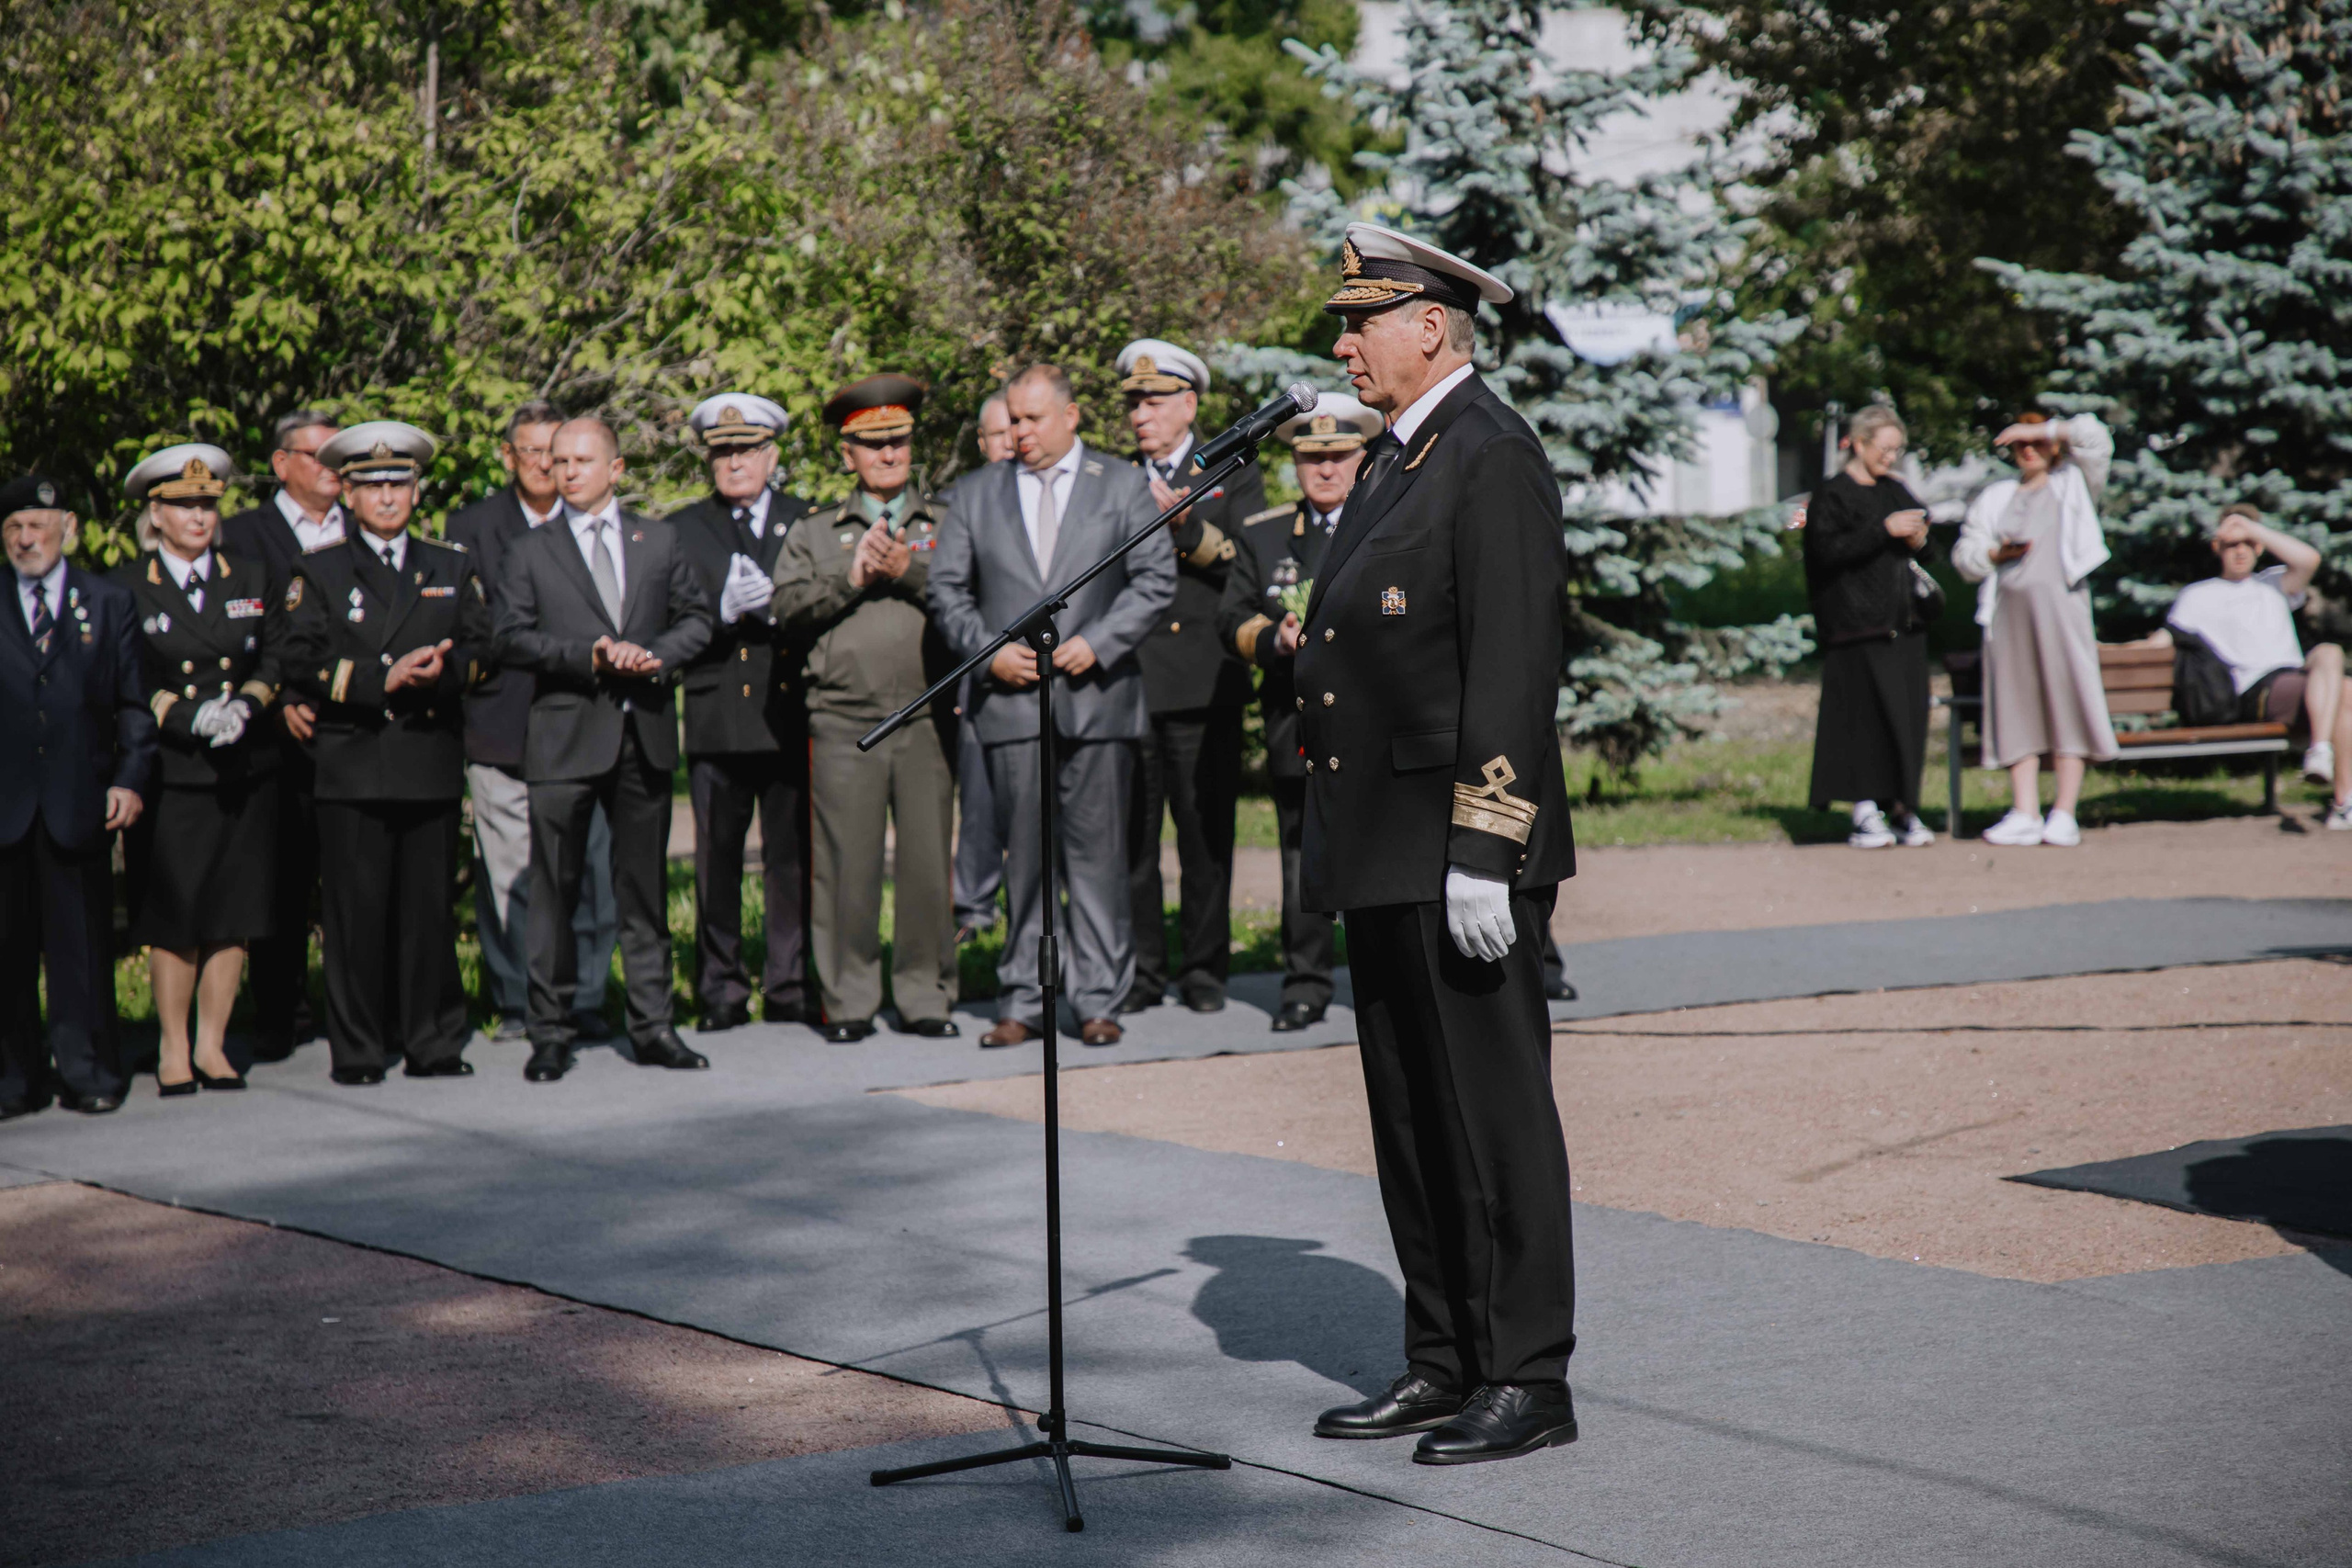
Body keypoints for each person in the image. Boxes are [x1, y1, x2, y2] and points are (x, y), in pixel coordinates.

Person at [1282, 223, 1579, 1464]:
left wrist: (1485, 846)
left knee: (1495, 1113)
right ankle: (1443, 1355)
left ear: (1432, 325)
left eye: (1363, 320)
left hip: (1458, 850)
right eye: (1341, 324)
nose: (1343, 343)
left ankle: (1527, 1371)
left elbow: (1512, 665)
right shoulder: (1402, 458)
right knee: (1410, 1116)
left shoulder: (1490, 456)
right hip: (1383, 847)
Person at [928, 364, 1175, 1048]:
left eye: (1033, 418)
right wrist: (988, 651)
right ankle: (1021, 999)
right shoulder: (975, 495)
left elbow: (1155, 580)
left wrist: (1098, 642)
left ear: (1071, 417)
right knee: (1024, 862)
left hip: (1097, 702)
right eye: (1012, 418)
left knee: (1096, 859)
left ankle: (1098, 997)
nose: (1019, 431)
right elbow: (948, 590)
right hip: (1010, 704)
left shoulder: (1121, 485)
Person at [493, 415, 715, 1081]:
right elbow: (509, 636)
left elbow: (697, 619)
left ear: (616, 469)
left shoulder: (659, 539)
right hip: (564, 739)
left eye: (582, 460)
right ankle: (552, 1031)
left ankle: (652, 1025)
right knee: (556, 894)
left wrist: (654, 657)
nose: (567, 472)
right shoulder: (530, 549)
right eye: (559, 461)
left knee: (642, 893)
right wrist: (587, 655)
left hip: (640, 735)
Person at [273, 423, 489, 1085]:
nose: (388, 497)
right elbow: (300, 660)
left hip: (426, 758)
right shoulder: (320, 568)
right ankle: (361, 1048)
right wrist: (379, 681)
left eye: (399, 483)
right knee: (356, 916)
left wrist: (441, 675)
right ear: (350, 493)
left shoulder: (451, 565)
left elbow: (484, 651)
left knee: (427, 914)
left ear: (417, 491)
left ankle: (432, 1041)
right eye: (372, 485)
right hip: (355, 761)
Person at [774, 374, 959, 1043]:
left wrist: (907, 567)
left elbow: (974, 596)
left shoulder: (943, 523)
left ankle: (925, 996)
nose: (888, 454)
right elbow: (786, 609)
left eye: (899, 441)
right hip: (844, 718)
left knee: (925, 865)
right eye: (872, 443)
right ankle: (848, 1001)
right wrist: (850, 578)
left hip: (926, 714)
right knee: (845, 866)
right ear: (845, 452)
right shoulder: (816, 531)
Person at [444, 402, 622, 1043]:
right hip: (504, 720)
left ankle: (587, 996)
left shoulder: (599, 523)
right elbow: (472, 628)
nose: (547, 464)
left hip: (588, 722)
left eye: (558, 450)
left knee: (592, 869)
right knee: (513, 872)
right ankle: (520, 997)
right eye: (531, 451)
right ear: (508, 456)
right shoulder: (471, 527)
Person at [1215, 392, 1381, 1030]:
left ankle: (1381, 981)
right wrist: (1272, 639)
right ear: (1296, 463)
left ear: (1360, 456)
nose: (1327, 469)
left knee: (1379, 854)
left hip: (1373, 724)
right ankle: (1305, 984)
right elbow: (1229, 620)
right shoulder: (1263, 535)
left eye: (1339, 455)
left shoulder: (1385, 523)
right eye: (1313, 457)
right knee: (1301, 857)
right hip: (1298, 722)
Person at [118, 445, 280, 1095]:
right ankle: (174, 1046)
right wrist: (186, 718)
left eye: (208, 504)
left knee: (231, 911)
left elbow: (274, 656)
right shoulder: (129, 585)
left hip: (240, 763)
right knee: (176, 914)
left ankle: (214, 1045)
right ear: (155, 514)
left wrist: (247, 703)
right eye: (184, 505)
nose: (199, 516)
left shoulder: (250, 573)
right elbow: (130, 677)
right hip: (174, 768)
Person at [1115, 338, 1266, 1016]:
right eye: (1133, 403)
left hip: (1206, 681)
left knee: (1205, 835)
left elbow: (1247, 563)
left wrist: (1186, 525)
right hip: (1133, 678)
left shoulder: (1234, 470)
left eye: (1153, 401)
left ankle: (1205, 967)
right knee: (1134, 839)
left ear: (1189, 403)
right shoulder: (1116, 477)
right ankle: (1145, 969)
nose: (1141, 414)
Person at [1, 476, 155, 1118]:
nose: (25, 538)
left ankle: (88, 1069)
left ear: (67, 526)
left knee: (82, 947)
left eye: (36, 524)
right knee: (7, 952)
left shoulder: (108, 600)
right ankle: (14, 1076)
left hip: (80, 799)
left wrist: (128, 778)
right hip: (6, 806)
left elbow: (134, 706)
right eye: (12, 527)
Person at [669, 394, 814, 1031]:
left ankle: (789, 982)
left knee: (791, 858)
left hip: (786, 711)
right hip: (717, 712)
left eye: (747, 450)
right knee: (717, 859)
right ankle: (721, 988)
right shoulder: (681, 528)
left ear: (772, 454)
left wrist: (779, 612)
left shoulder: (804, 519)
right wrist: (719, 613)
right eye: (723, 451)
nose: (735, 463)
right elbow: (670, 620)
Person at [221, 410, 344, 1061]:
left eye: (338, 454)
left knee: (352, 878)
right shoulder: (243, 535)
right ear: (280, 463)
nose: (332, 466)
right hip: (275, 737)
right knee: (282, 883)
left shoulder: (365, 524)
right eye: (317, 453)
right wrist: (275, 705)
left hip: (351, 731)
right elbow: (232, 638)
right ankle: (281, 1014)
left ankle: (357, 1012)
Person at [1951, 413, 2118, 847]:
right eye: (2020, 444)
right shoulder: (1997, 496)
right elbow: (1966, 552)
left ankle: (2064, 811)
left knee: (2067, 699)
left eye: (2037, 442)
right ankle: (2024, 810)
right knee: (2015, 704)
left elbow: (2095, 438)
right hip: (2007, 614)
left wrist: (2043, 430)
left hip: (2062, 610)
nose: (2029, 450)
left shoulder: (2073, 484)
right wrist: (1993, 553)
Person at [2138, 504, 2352, 829]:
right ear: (2217, 547)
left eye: (2248, 544)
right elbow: (2163, 640)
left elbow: (2309, 559)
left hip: (2296, 679)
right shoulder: (2198, 595)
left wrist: (2250, 528)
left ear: (2259, 546)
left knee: (2331, 654)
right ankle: (2341, 800)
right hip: (2254, 691)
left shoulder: (2274, 585)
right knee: (2347, 691)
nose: (2240, 551)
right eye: (2230, 544)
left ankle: (2323, 758)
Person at [1803, 405, 1936, 849]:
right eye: (1884, 449)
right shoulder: (1833, 494)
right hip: (1854, 626)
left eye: (1897, 450)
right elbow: (1826, 553)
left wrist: (1919, 539)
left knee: (1906, 718)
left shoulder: (1897, 490)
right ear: (1859, 444)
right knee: (1863, 722)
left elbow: (1926, 550)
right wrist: (1883, 530)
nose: (1891, 458)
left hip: (1905, 624)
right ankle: (1864, 810)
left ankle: (1902, 808)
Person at [951, 393, 1017, 940]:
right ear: (981, 442)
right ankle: (973, 910)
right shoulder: (963, 501)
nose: (1010, 442)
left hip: (1046, 674)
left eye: (1016, 429)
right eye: (998, 433)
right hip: (978, 678)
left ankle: (1035, 907)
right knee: (979, 802)